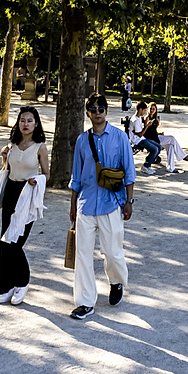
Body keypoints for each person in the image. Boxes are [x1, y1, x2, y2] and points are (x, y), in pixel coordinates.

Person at [68, 92, 136, 320]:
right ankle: (85, 302)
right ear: (87, 113)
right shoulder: (81, 141)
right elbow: (76, 176)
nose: (97, 113)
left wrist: (129, 201)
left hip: (112, 202)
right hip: (86, 204)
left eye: (101, 109)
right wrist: (72, 205)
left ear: (107, 111)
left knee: (113, 251)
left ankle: (116, 281)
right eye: (93, 109)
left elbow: (129, 171)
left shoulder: (119, 137)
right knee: (83, 254)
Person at [0, 105, 47, 305]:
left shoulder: (40, 147)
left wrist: (37, 180)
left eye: (30, 120)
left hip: (28, 193)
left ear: (36, 124)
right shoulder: (12, 144)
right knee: (5, 240)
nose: (25, 124)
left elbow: (47, 174)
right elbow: (6, 169)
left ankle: (22, 282)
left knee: (16, 241)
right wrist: (4, 157)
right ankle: (5, 286)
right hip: (11, 192)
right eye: (22, 120)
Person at [130, 102, 162, 172]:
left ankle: (150, 161)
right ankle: (146, 166)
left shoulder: (138, 118)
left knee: (159, 147)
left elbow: (139, 132)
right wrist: (147, 126)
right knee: (155, 149)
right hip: (138, 141)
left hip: (142, 139)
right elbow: (140, 134)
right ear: (140, 109)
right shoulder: (135, 120)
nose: (145, 112)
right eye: (144, 110)